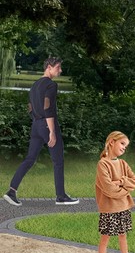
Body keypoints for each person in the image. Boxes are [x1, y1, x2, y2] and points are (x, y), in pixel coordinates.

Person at [3, 57, 79, 206]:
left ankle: (11, 191)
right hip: (47, 125)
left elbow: (30, 107)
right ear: (49, 67)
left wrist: (36, 121)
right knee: (58, 161)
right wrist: (51, 131)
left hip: (36, 125)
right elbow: (48, 107)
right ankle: (61, 196)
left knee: (30, 159)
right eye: (58, 67)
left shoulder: (35, 85)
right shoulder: (51, 85)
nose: (60, 70)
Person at [95, 131, 135, 253]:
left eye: (126, 146)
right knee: (105, 238)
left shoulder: (123, 164)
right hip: (109, 208)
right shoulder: (103, 164)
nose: (124, 148)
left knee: (123, 235)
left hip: (123, 206)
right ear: (111, 142)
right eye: (122, 144)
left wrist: (121, 181)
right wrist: (125, 189)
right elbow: (108, 189)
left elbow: (134, 181)